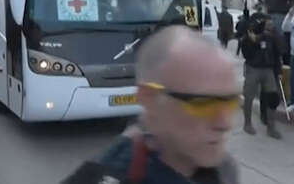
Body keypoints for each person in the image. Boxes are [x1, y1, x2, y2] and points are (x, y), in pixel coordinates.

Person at [62, 26, 239, 184]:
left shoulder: (223, 168)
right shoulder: (113, 175)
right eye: (203, 103)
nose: (224, 124)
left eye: (231, 101)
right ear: (150, 98)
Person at [240, 15, 283, 139]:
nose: (269, 27)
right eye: (266, 24)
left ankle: (271, 127)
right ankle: (247, 123)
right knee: (249, 96)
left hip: (268, 69)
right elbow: (246, 55)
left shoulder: (271, 38)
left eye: (270, 24)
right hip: (253, 68)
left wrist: (278, 71)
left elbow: (277, 56)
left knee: (273, 97)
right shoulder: (248, 38)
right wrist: (253, 41)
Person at [251, 0, 294, 64]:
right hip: (269, 14)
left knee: (279, 37)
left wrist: (286, 10)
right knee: (269, 36)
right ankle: (272, 59)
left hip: (280, 15)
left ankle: (284, 60)